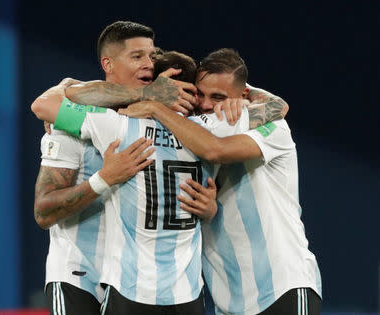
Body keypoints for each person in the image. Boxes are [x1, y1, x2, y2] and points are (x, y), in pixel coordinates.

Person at [118, 48, 322, 315]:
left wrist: (155, 108)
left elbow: (216, 150)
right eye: (200, 93)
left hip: (282, 287)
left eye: (218, 97)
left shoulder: (269, 126)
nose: (204, 104)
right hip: (227, 301)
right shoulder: (188, 130)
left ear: (243, 96)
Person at [32, 21, 193, 315]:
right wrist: (104, 178)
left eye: (152, 56)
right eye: (137, 57)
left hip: (131, 283)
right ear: (108, 63)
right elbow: (43, 211)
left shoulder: (160, 121)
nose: (149, 64)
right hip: (79, 277)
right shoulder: (73, 120)